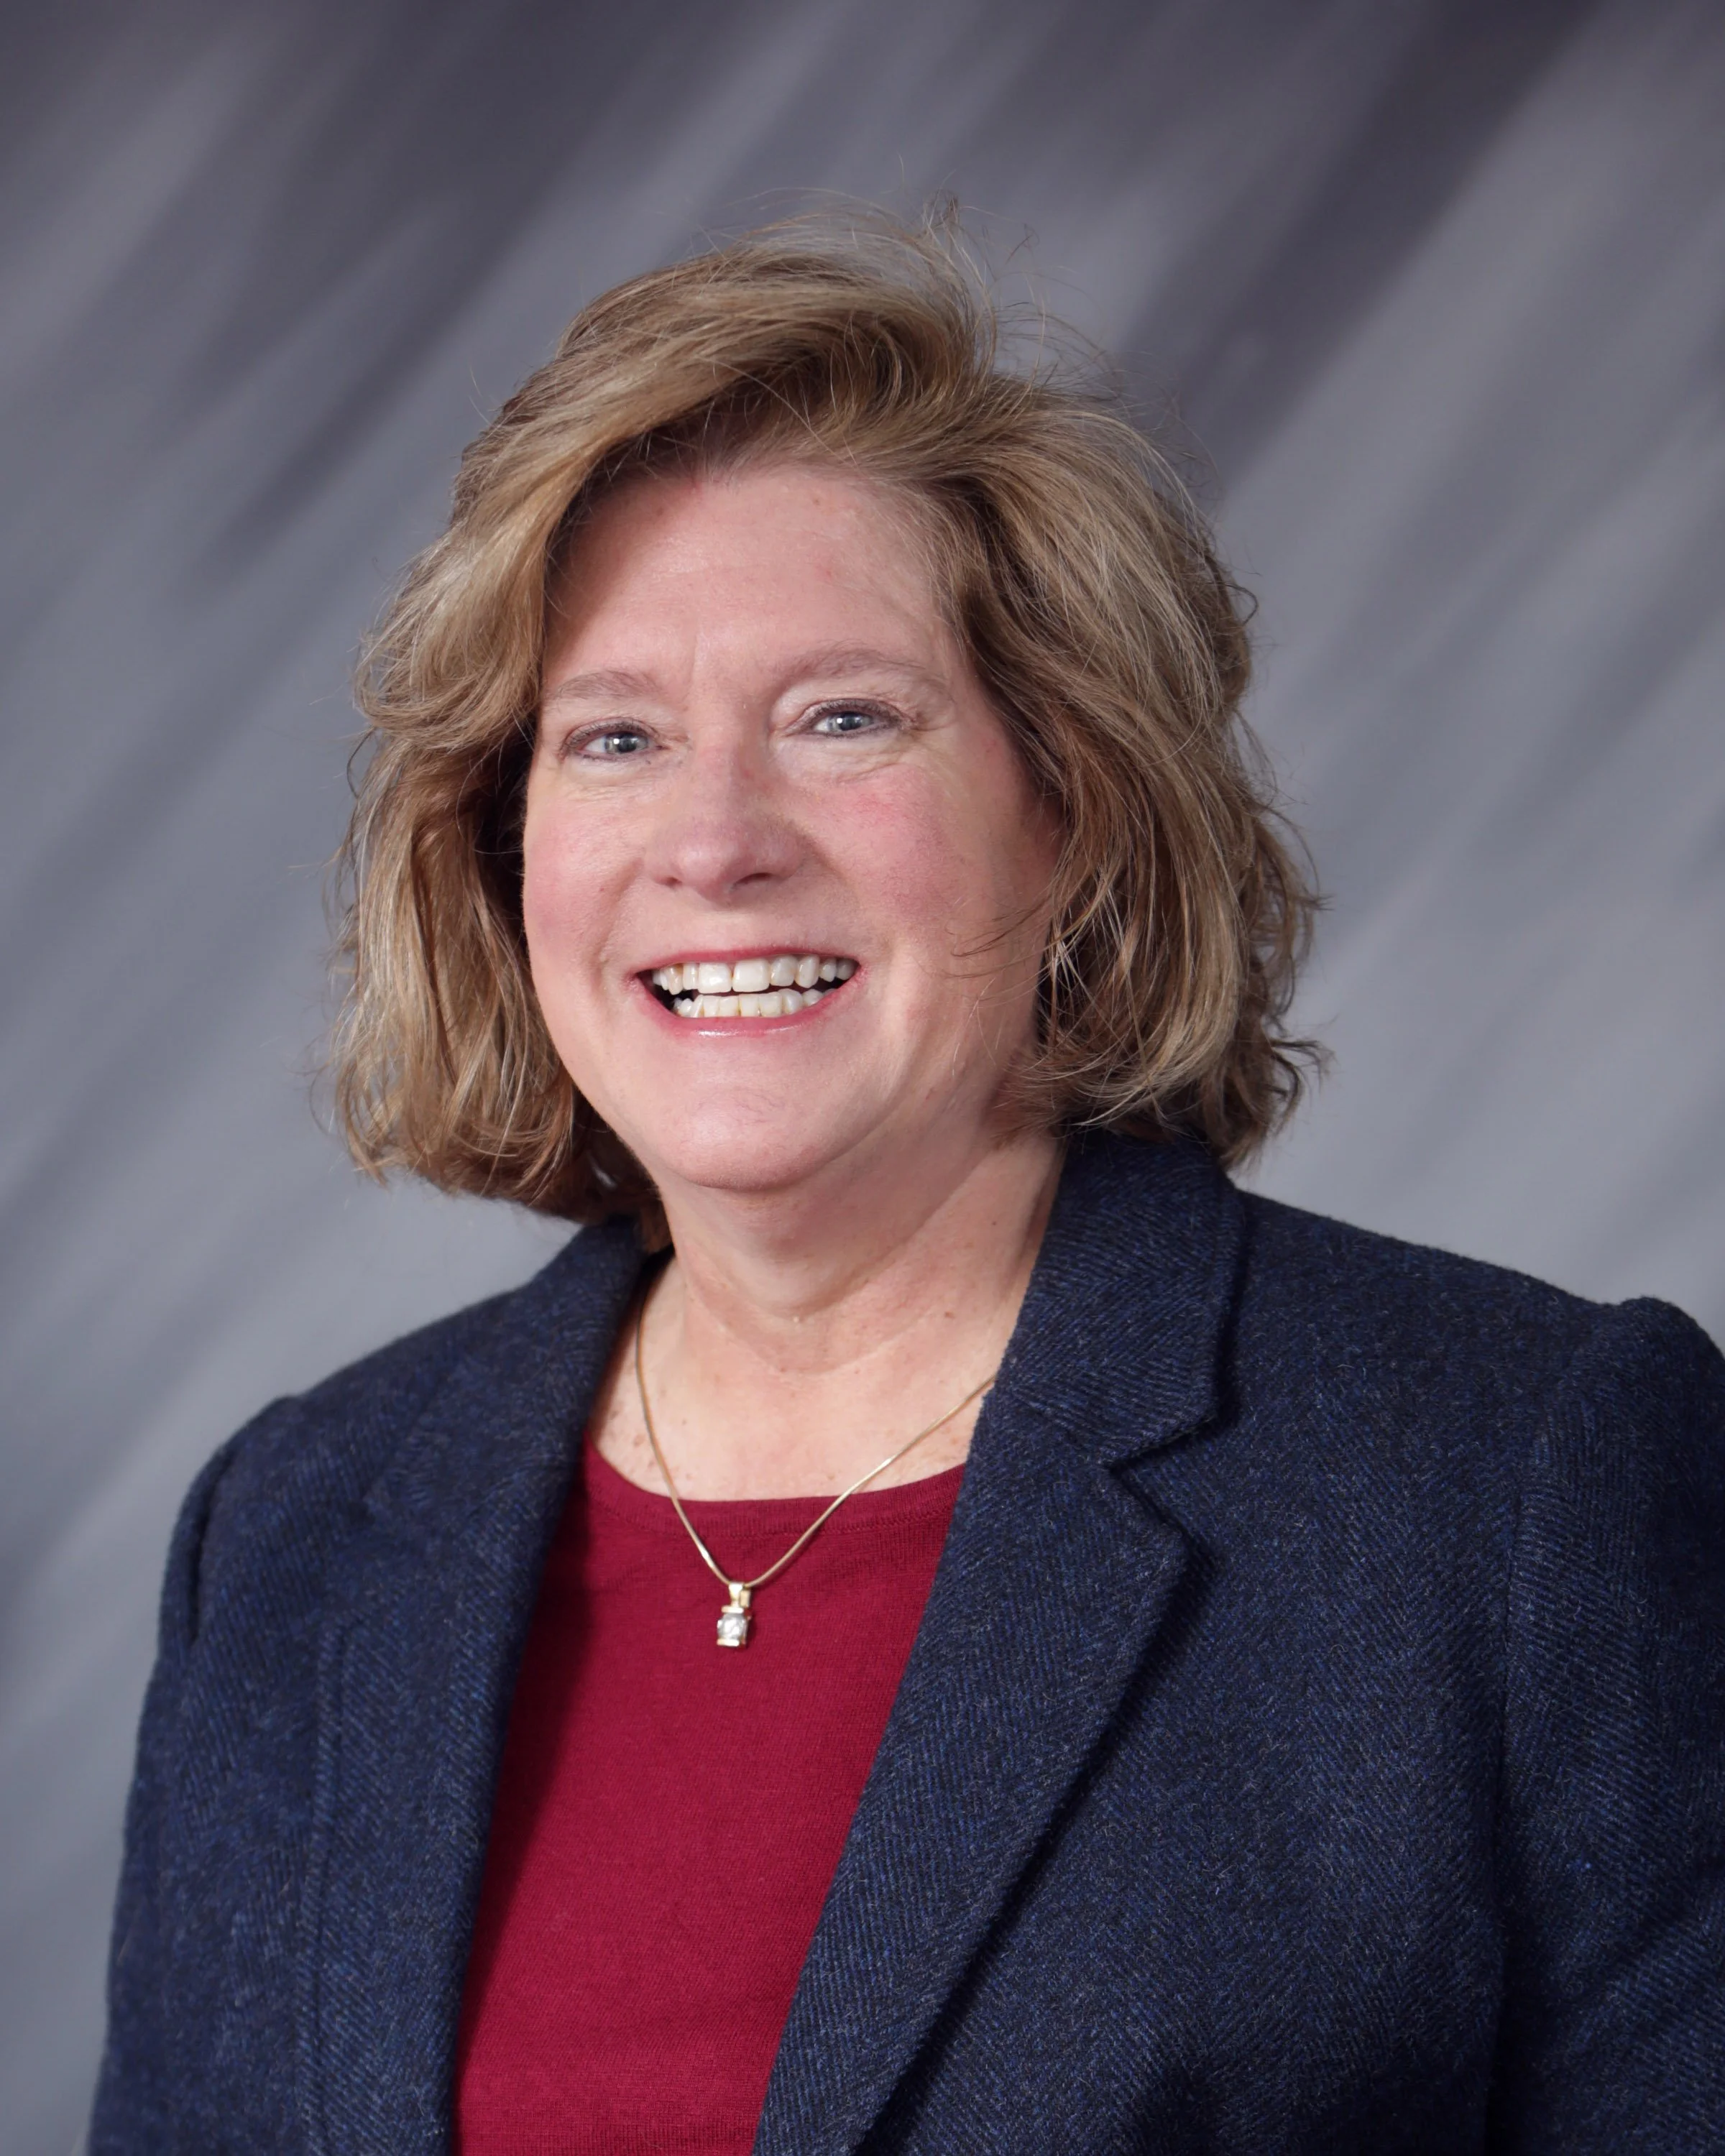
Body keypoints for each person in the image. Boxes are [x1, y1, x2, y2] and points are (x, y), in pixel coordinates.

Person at [91, 216, 1724, 2155]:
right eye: (615, 738)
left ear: (1074, 810)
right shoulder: (295, 1537)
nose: (715, 841)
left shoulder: (1509, 1485)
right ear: (503, 849)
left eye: (841, 718)